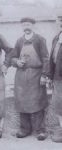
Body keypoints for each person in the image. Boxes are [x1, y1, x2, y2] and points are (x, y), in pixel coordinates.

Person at [11, 17, 49, 140]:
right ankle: (24, 129)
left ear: (33, 26)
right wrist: (17, 62)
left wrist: (44, 75)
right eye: (23, 24)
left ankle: (40, 130)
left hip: (36, 74)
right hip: (21, 75)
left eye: (28, 24)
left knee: (38, 101)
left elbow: (45, 58)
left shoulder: (39, 39)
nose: (26, 26)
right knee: (21, 101)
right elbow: (13, 57)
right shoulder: (19, 41)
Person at [49, 15, 62, 143]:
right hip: (58, 78)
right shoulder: (56, 38)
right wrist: (50, 76)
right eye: (60, 20)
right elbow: (53, 58)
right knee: (59, 105)